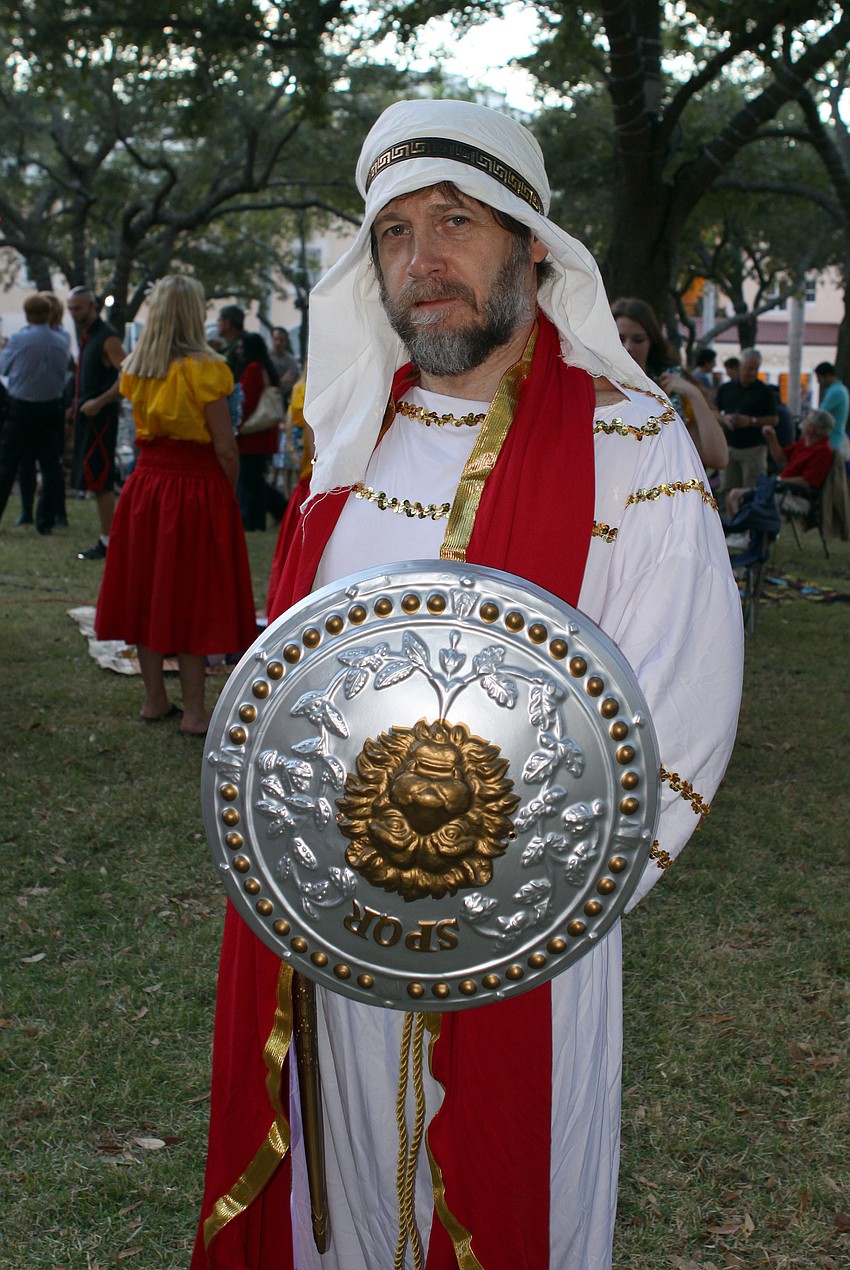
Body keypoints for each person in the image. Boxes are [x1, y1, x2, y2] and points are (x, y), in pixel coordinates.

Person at [193, 99, 743, 1270]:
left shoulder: (631, 443)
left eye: (454, 219)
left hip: (526, 937)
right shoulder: (348, 436)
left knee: (516, 1196)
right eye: (392, 232)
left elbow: (679, 697)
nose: (420, 257)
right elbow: (291, 680)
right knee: (341, 1193)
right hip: (340, 928)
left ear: (532, 243)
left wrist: (512, 910)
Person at [94, 276, 257, 734]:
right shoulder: (207, 369)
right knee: (192, 595)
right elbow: (225, 448)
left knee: (149, 591)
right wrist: (226, 493)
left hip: (145, 487)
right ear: (194, 313)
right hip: (196, 487)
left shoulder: (137, 368)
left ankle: (153, 700)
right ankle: (194, 712)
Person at [611, 296, 728, 469]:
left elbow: (718, 458)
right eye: (620, 339)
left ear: (652, 341)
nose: (628, 347)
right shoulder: (593, 387)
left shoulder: (672, 387)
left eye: (638, 340)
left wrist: (694, 395)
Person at [0, 292, 69, 534]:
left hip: (22, 406)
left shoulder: (20, 340)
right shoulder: (62, 339)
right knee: (50, 464)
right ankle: (46, 521)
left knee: (8, 464)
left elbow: (4, 368)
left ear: (28, 314)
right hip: (51, 407)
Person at [66, 287, 126, 559]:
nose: (74, 314)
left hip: (101, 420)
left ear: (92, 307)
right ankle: (108, 538)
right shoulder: (88, 337)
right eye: (71, 309)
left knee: (100, 480)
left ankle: (108, 541)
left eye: (78, 308)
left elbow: (128, 377)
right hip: (87, 417)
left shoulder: (107, 338)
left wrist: (100, 401)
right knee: (92, 479)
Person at [725, 407, 836, 519]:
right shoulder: (804, 443)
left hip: (795, 495)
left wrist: (779, 481)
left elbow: (807, 481)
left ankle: (742, 532)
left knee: (741, 498)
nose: (804, 422)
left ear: (812, 428)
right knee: (733, 495)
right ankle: (738, 531)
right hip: (781, 489)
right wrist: (772, 439)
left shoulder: (823, 451)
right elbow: (780, 457)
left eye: (807, 421)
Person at [236, 331, 285, 531]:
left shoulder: (254, 368)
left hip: (253, 436)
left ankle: (256, 519)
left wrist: (237, 423)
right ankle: (277, 509)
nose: (239, 351)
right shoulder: (264, 366)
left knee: (251, 480)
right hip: (261, 435)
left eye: (241, 347)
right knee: (255, 479)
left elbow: (247, 400)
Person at [716, 348, 778, 495]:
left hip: (753, 448)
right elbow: (714, 411)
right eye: (749, 368)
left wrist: (752, 421)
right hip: (730, 446)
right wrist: (725, 419)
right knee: (727, 488)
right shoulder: (726, 388)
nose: (752, 373)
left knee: (752, 490)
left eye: (755, 369)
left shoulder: (764, 391)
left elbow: (774, 419)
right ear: (740, 366)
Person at [814, 361, 849, 457]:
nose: (818, 381)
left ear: (828, 375)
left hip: (832, 441)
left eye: (819, 378)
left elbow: (821, 413)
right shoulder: (840, 389)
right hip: (836, 438)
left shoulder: (836, 392)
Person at [269, 326, 300, 405]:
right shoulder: (266, 357)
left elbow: (290, 380)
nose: (278, 343)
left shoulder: (291, 361)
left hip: (285, 399)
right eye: (276, 339)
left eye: (281, 340)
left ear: (286, 342)